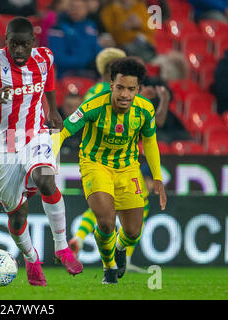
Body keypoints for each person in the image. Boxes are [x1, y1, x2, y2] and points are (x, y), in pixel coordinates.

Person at [0, 16, 83, 287]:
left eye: (24, 44)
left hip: (35, 134)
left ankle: (62, 247)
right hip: (3, 145)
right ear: (6, 41)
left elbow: (48, 80)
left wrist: (53, 110)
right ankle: (31, 258)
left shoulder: (45, 57)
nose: (19, 51)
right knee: (17, 215)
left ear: (33, 43)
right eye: (14, 44)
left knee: (45, 179)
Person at [52, 57, 167, 284]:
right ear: (111, 85)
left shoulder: (145, 110)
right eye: (120, 88)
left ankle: (120, 247)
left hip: (128, 168)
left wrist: (158, 178)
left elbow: (150, 142)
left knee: (133, 231)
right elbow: (63, 131)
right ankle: (109, 267)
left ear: (138, 90)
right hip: (95, 165)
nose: (125, 94)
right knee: (106, 221)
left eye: (131, 89)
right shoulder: (93, 106)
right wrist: (51, 158)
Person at [47, 0, 103, 79]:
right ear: (67, 9)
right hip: (67, 75)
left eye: (79, 7)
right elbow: (58, 57)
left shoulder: (91, 25)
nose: (75, 10)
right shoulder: (57, 28)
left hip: (91, 74)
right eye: (72, 7)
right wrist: (86, 63)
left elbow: (96, 49)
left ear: (86, 9)